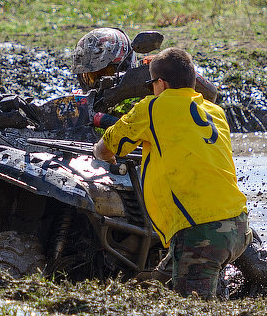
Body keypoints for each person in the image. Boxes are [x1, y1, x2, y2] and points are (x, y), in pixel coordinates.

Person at [93, 46, 250, 299]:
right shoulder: (216, 112)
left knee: (194, 314)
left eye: (151, 84)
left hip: (201, 232)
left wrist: (103, 153)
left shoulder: (152, 108)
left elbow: (106, 148)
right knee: (161, 284)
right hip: (239, 225)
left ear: (161, 84)